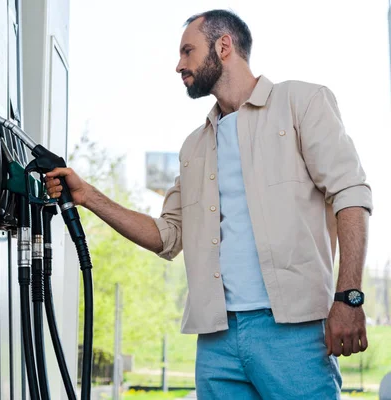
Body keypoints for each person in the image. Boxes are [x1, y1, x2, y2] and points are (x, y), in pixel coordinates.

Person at [46, 9, 373, 400]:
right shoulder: (194, 146)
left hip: (295, 334)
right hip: (217, 341)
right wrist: (88, 197)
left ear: (223, 46)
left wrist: (349, 297)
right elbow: (167, 236)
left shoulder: (301, 103)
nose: (179, 65)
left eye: (188, 51)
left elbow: (350, 193)